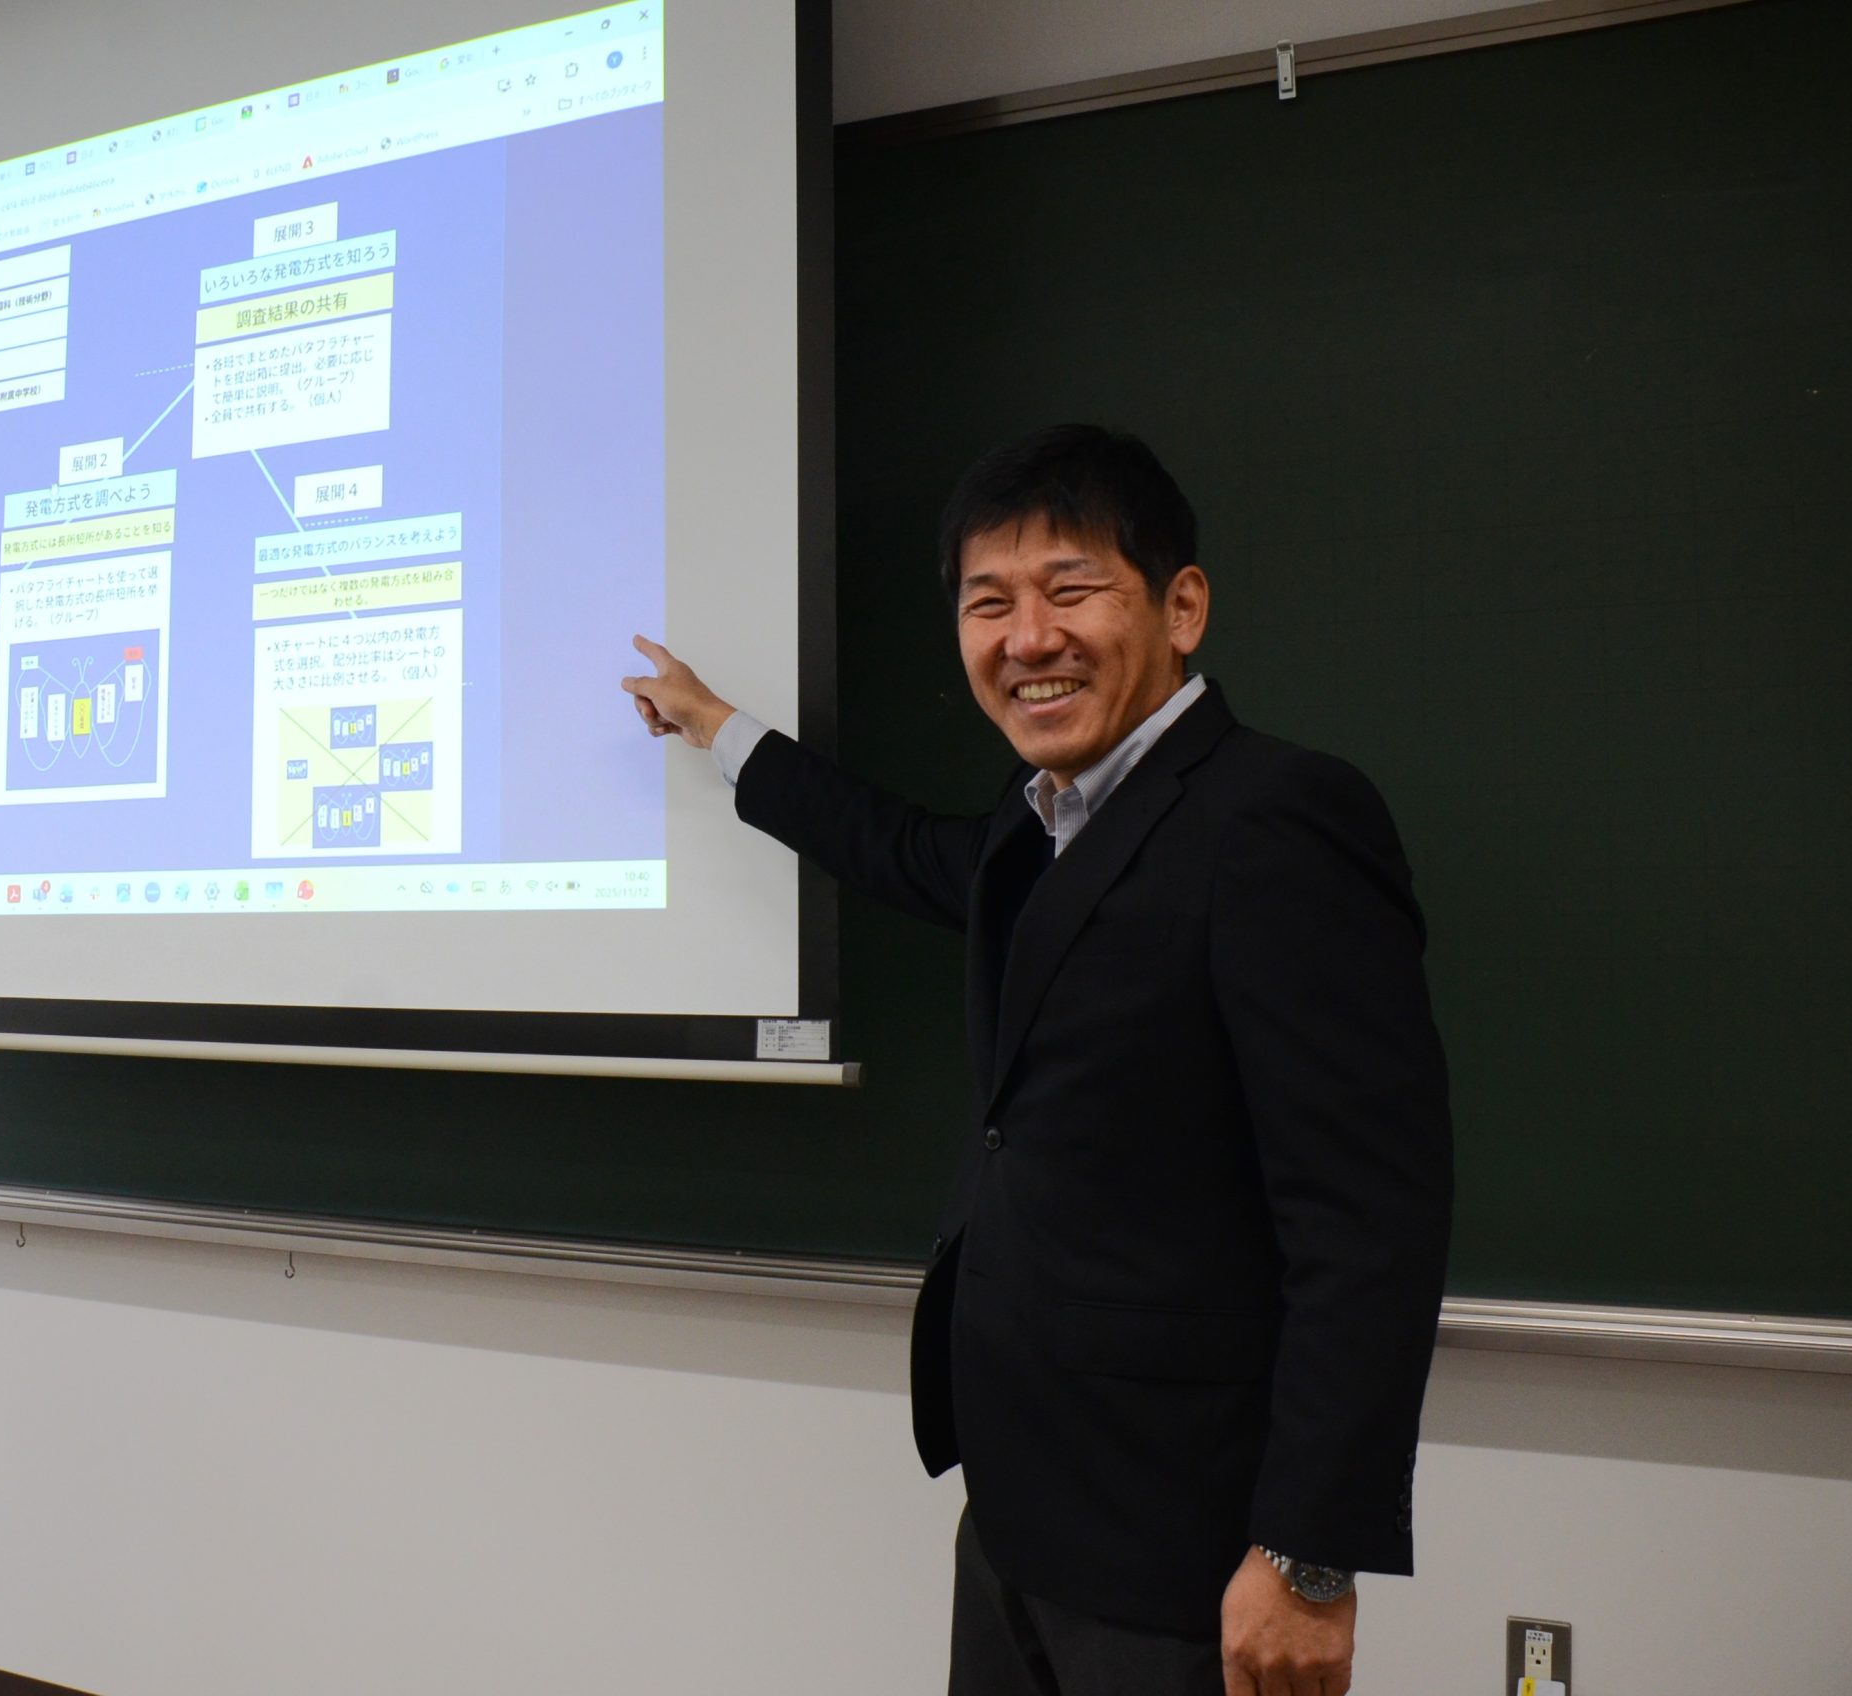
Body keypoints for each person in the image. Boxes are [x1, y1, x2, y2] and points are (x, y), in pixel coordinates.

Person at [621, 425, 1452, 1696]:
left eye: (1070, 589)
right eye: (988, 602)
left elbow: (1369, 1216)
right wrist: (717, 728)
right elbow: (896, 847)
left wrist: (1308, 1556)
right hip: (1019, 1513)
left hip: (1183, 1542)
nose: (1026, 638)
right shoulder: (1039, 825)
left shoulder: (1276, 818)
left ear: (1181, 608)